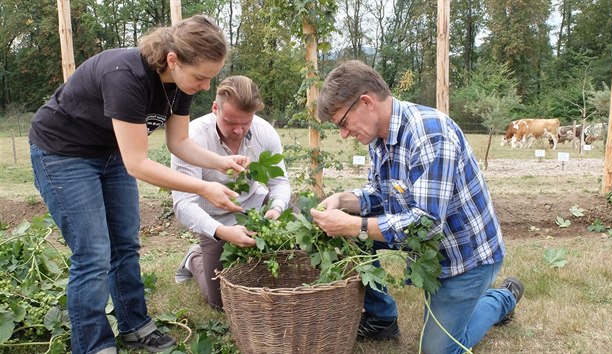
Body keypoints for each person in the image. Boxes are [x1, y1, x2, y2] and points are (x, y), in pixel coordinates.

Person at [28, 16, 248, 354]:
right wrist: (203, 188)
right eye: (201, 77)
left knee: (125, 243)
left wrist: (221, 163)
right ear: (173, 60)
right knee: (93, 253)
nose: (206, 87)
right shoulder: (126, 75)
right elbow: (138, 163)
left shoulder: (180, 84)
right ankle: (92, 345)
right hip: (63, 152)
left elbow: (179, 143)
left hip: (110, 152)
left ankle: (134, 324)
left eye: (210, 78)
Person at [310, 60, 524, 353]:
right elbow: (379, 193)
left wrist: (353, 225)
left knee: (435, 351)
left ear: (366, 102)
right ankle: (382, 318)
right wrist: (343, 200)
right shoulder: (379, 137)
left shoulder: (429, 133)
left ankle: (502, 299)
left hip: (462, 258)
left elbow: (425, 224)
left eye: (343, 124)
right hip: (426, 247)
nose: (344, 134)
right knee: (351, 223)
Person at [171, 75, 291, 309]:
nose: (238, 131)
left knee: (283, 272)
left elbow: (280, 182)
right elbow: (183, 205)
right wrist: (221, 232)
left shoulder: (264, 132)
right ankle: (193, 259)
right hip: (214, 221)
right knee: (222, 302)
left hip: (255, 211)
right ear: (215, 108)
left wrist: (276, 208)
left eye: (246, 122)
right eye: (230, 121)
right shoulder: (191, 138)